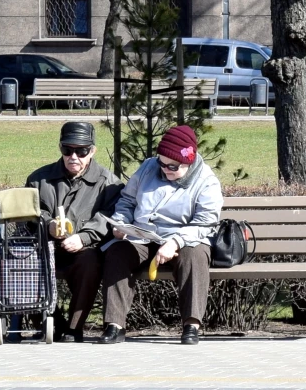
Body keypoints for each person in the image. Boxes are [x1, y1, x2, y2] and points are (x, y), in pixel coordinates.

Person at [97, 125, 223, 345]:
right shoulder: (148, 167)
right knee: (118, 252)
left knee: (195, 255)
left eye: (172, 166)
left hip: (184, 238)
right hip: (142, 236)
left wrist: (175, 242)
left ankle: (191, 325)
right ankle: (114, 325)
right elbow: (127, 200)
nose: (165, 169)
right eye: (161, 163)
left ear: (188, 161)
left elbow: (206, 223)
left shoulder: (206, 181)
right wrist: (121, 223)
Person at [25, 121, 123, 342]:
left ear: (93, 151)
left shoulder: (108, 182)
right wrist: (48, 224)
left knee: (90, 261)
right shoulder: (39, 179)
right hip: (45, 246)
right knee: (23, 261)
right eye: (67, 150)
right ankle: (49, 322)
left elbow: (110, 216)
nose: (74, 156)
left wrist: (84, 237)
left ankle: (74, 328)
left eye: (82, 151)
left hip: (84, 249)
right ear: (60, 148)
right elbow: (28, 213)